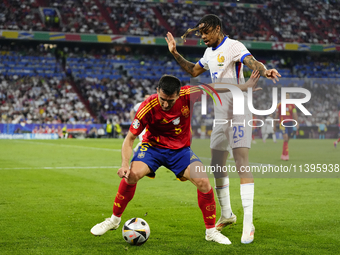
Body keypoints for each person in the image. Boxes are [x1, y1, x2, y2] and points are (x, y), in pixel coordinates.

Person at [90, 73, 260, 245]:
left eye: (170, 101)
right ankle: (113, 220)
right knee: (131, 175)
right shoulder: (147, 106)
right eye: (162, 98)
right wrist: (125, 165)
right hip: (153, 148)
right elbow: (129, 139)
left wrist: (244, 87)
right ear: (157, 91)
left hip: (180, 151)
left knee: (203, 182)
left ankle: (210, 231)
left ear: (179, 94)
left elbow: (214, 86)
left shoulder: (188, 94)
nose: (165, 104)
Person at [165, 14, 280, 244]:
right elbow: (193, 71)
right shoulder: (209, 53)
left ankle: (249, 222)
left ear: (217, 28)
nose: (203, 37)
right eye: (201, 34)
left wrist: (265, 71)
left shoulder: (234, 46)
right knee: (217, 164)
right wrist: (175, 53)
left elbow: (252, 62)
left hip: (239, 110)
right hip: (220, 114)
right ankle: (227, 214)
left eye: (206, 32)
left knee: (241, 161)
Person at [274, 93, 299, 161]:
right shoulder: (279, 105)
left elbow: (295, 114)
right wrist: (274, 125)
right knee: (285, 138)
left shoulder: (292, 105)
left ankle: (283, 154)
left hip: (290, 123)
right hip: (282, 123)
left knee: (287, 139)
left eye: (287, 96)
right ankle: (286, 155)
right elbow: (276, 115)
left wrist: (296, 122)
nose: (286, 97)